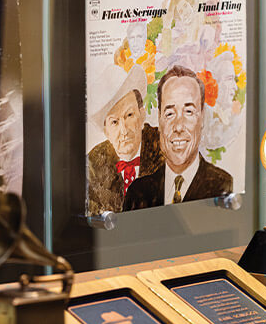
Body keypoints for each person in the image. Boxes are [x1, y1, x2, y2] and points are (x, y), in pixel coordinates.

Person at [123, 65, 233, 210]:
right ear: (159, 118)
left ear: (202, 117)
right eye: (170, 114)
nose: (179, 127)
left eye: (188, 112)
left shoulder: (222, 185)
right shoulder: (137, 192)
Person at [87, 65, 162, 214]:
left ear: (142, 115)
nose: (124, 130)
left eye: (129, 115)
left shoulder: (165, 147)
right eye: (114, 122)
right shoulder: (92, 166)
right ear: (106, 131)